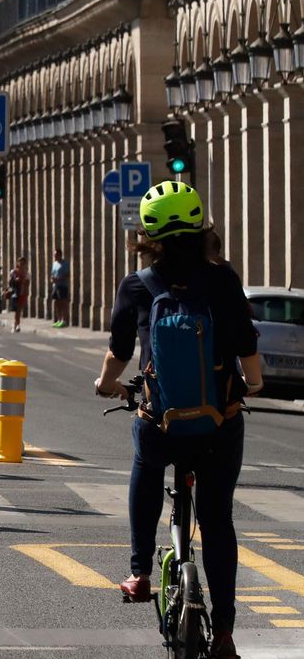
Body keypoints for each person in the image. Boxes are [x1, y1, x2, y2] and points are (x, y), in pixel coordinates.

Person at [93, 181, 259, 659]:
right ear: (199, 225)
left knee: (146, 466)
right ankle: (225, 631)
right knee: (218, 518)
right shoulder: (223, 280)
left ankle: (140, 571)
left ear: (150, 234)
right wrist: (252, 383)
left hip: (162, 423)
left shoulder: (137, 285)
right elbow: (247, 349)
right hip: (218, 424)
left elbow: (118, 354)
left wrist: (107, 385)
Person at [5, 256, 29, 333]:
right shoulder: (13, 272)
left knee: (18, 310)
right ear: (18, 264)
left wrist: (23, 280)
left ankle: (16, 324)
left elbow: (27, 284)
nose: (22, 265)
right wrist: (15, 280)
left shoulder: (26, 274)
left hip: (22, 293)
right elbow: (10, 282)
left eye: (24, 263)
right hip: (15, 292)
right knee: (17, 310)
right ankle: (17, 324)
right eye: (21, 263)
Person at [50, 249, 71, 328]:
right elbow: (52, 273)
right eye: (54, 255)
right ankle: (58, 320)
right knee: (56, 303)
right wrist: (52, 279)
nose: (54, 256)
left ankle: (64, 320)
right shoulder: (54, 264)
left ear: (60, 255)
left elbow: (67, 275)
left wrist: (58, 279)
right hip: (55, 286)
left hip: (62, 286)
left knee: (63, 303)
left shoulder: (65, 264)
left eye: (56, 255)